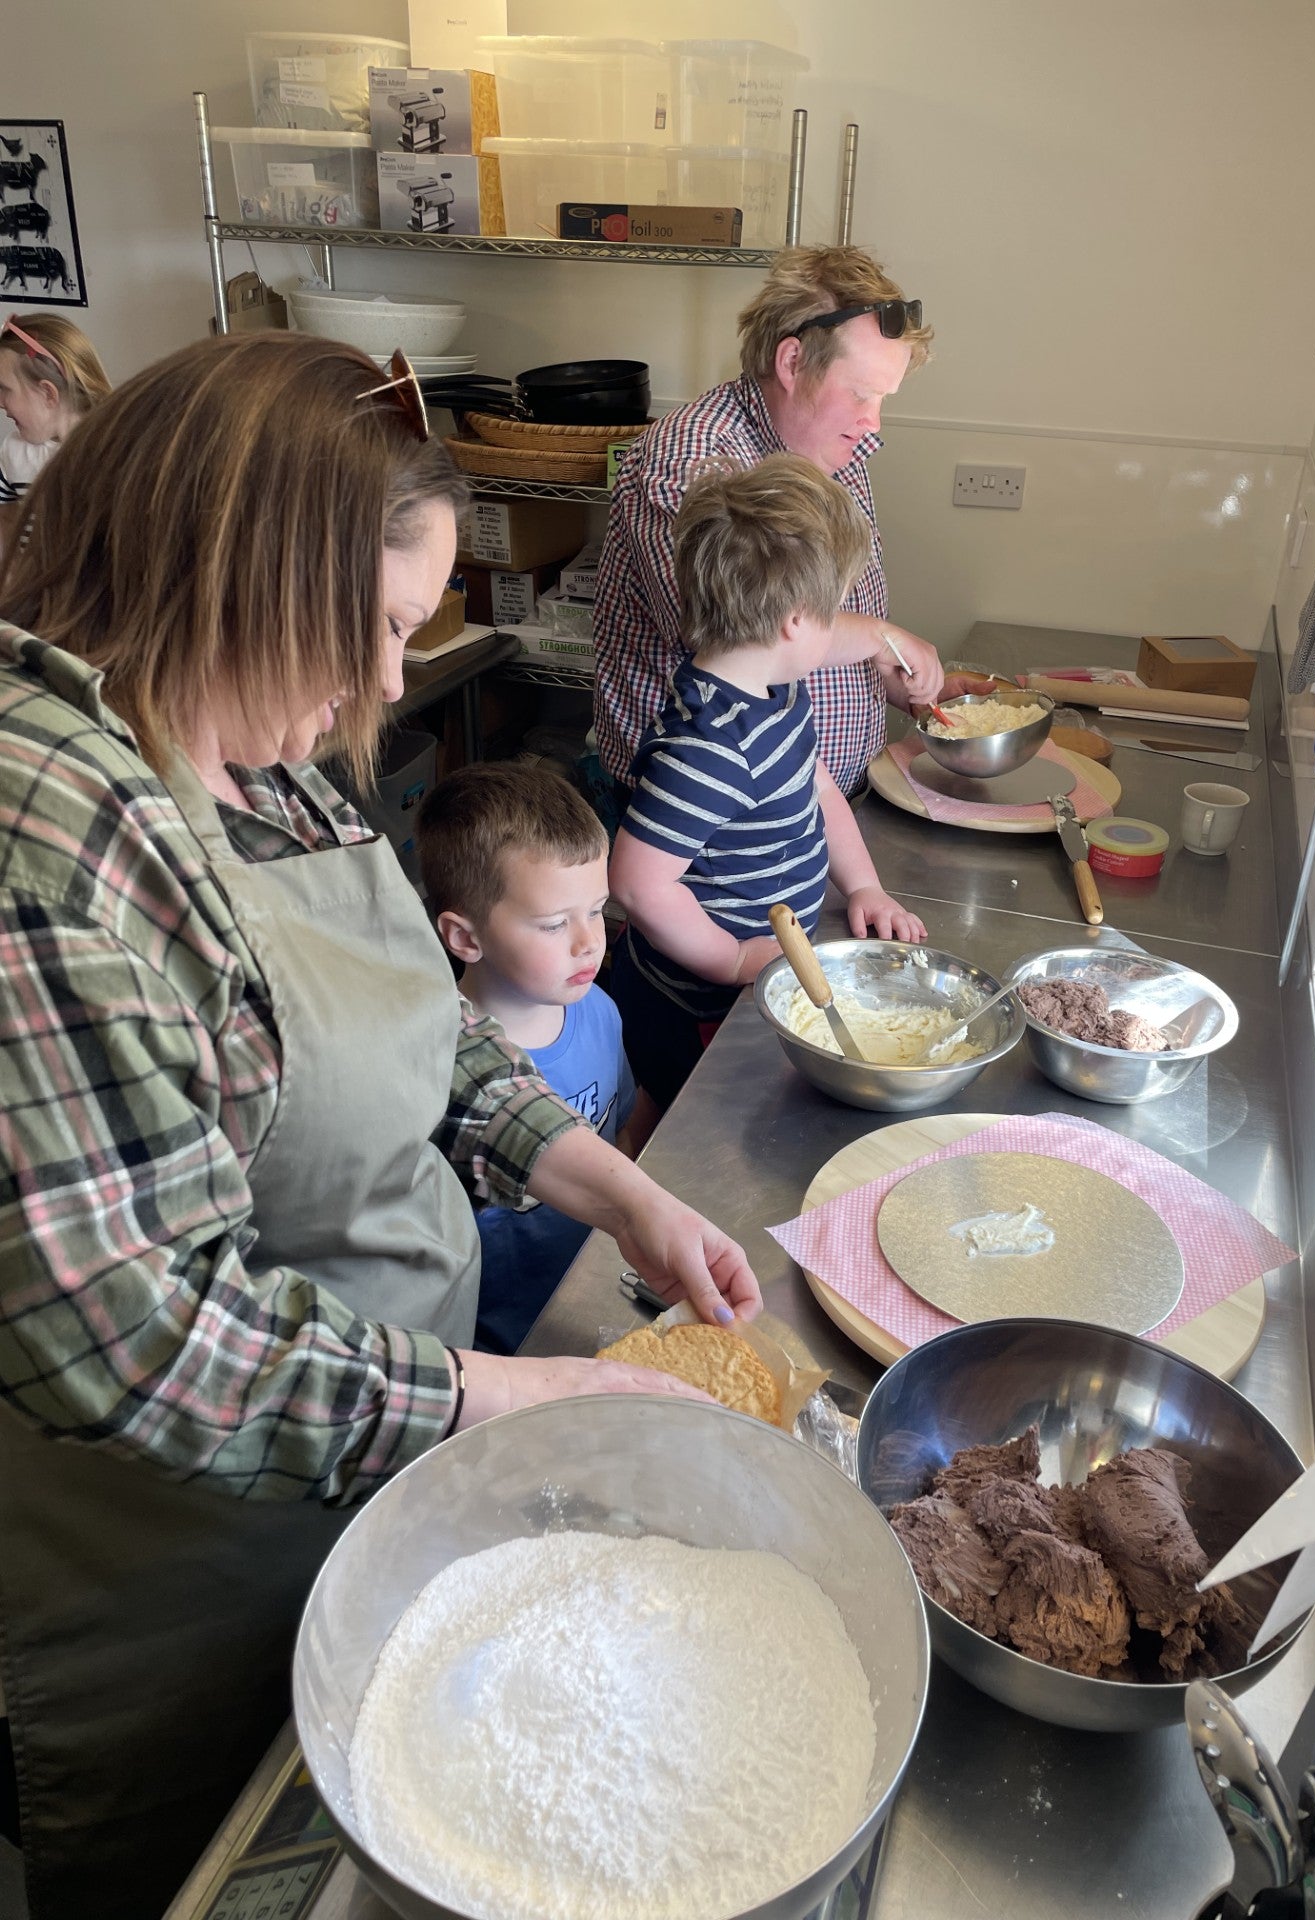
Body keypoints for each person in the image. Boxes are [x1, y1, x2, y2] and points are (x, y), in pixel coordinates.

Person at [0, 331, 759, 1920]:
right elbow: (134, 1337)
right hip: (185, 1560)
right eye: (388, 625)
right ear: (249, 570)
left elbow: (427, 1039)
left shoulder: (256, 767)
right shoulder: (48, 837)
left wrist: (614, 1189)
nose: (396, 682)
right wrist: (516, 1396)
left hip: (366, 1461)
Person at [607, 454, 928, 1109]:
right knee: (677, 1125)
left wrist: (863, 885)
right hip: (697, 1007)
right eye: (834, 612)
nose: (840, 628)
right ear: (794, 622)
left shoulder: (775, 690)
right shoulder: (709, 748)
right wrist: (728, 959)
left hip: (764, 975)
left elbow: (816, 790)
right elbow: (637, 885)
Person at [595, 244, 967, 802]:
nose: (872, 422)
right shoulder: (694, 458)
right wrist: (880, 639)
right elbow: (732, 633)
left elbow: (825, 618)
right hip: (707, 819)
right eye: (860, 394)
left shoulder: (832, 446)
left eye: (883, 399)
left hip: (819, 806)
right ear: (792, 363)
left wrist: (898, 680)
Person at [417, 760, 659, 1352]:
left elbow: (627, 1126)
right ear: (465, 938)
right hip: (489, 1333)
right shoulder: (433, 1070)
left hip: (594, 1288)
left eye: (597, 910)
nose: (590, 942)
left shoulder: (598, 1009)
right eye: (553, 925)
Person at [0, 312, 110, 555]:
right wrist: (12, 570)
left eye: (4, 389)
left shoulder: (111, 451)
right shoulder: (12, 450)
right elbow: (5, 517)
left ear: (47, 393)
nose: (0, 402)